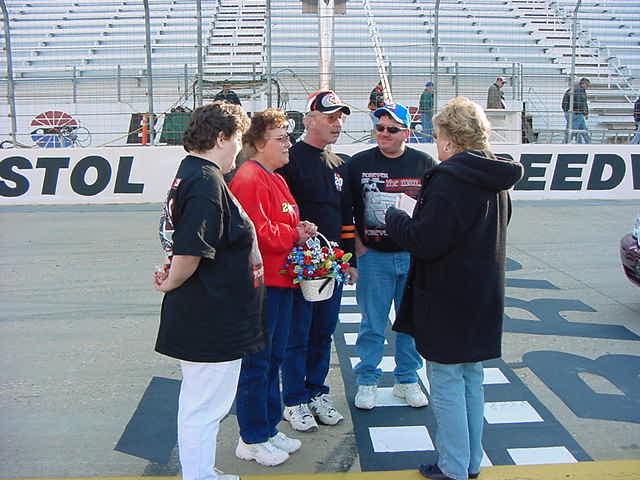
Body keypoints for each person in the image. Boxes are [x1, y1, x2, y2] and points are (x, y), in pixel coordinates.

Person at [385, 96, 523, 480]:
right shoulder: (495, 175)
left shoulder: (450, 178)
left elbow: (426, 240)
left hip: (447, 297)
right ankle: (470, 462)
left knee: (446, 382)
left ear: (447, 138)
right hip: (482, 293)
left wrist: (397, 216)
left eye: (437, 134)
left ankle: (453, 467)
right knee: (470, 381)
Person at [154, 101, 263, 480]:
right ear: (221, 137)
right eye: (237, 139)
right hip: (210, 315)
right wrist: (172, 279)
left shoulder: (193, 174)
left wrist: (174, 273)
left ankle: (200, 471)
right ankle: (198, 476)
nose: (240, 148)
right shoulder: (206, 181)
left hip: (208, 311)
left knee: (202, 403)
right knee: (204, 405)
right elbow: (189, 250)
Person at [229, 108, 317, 467]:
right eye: (281, 138)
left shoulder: (275, 178)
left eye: (288, 137)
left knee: (275, 358)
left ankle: (267, 426)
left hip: (283, 280)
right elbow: (257, 235)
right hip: (263, 284)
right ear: (257, 143)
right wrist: (293, 234)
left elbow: (282, 221)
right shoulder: (250, 178)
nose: (289, 144)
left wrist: (301, 228)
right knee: (258, 363)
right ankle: (250, 437)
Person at [347, 103, 437, 410]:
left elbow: (433, 211)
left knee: (409, 322)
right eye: (379, 128)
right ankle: (367, 380)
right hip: (374, 257)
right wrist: (357, 246)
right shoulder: (358, 163)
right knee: (372, 323)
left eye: (391, 129)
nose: (383, 134)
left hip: (412, 256)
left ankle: (407, 379)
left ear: (406, 133)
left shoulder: (424, 163)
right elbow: (345, 209)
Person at [277, 90, 357, 432]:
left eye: (340, 118)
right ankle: (293, 400)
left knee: (323, 332)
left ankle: (315, 392)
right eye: (329, 117)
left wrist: (349, 260)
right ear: (309, 120)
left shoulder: (341, 164)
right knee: (298, 333)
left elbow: (346, 214)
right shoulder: (289, 160)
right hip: (300, 264)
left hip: (332, 265)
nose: (336, 124)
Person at [562, 77, 591, 144]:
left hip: (572, 112)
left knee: (582, 130)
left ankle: (585, 143)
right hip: (576, 113)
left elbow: (582, 103)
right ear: (583, 84)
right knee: (574, 130)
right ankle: (565, 144)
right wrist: (585, 112)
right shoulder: (579, 91)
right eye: (587, 85)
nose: (588, 87)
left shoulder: (573, 90)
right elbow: (581, 103)